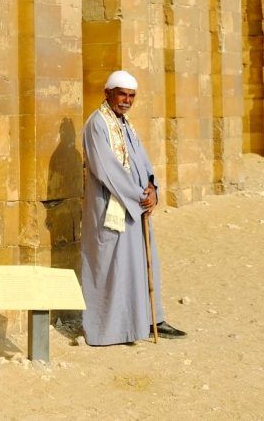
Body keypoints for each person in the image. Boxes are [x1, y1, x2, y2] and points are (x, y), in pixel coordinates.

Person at [80, 70, 186, 345]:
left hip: (135, 206)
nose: (126, 100)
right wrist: (138, 196)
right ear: (108, 94)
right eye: (122, 94)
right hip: (111, 208)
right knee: (113, 266)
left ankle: (149, 321)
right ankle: (111, 329)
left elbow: (142, 161)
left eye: (131, 96)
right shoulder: (97, 124)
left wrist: (152, 188)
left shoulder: (125, 124)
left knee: (141, 262)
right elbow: (106, 169)